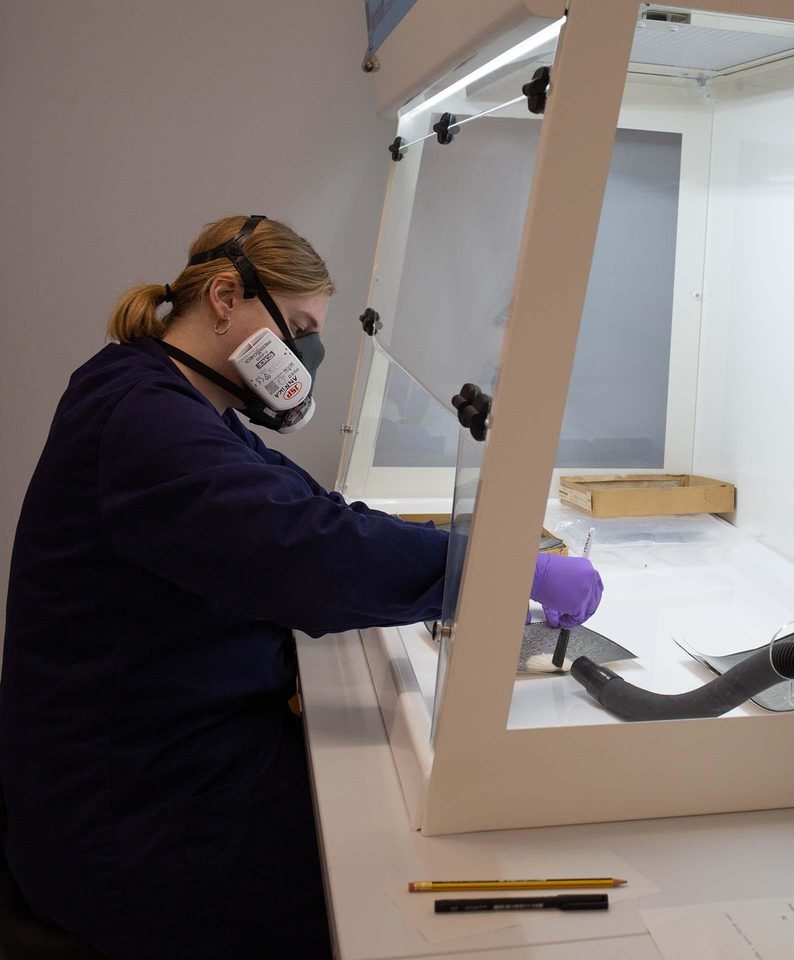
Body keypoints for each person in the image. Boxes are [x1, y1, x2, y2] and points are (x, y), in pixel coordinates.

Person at [0, 215, 603, 959]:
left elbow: (309, 512)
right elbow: (306, 557)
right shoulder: (146, 419)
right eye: (303, 328)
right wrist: (507, 575)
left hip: (152, 751)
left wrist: (465, 557)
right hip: (127, 815)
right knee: (387, 871)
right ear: (226, 296)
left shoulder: (175, 399)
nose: (308, 355)